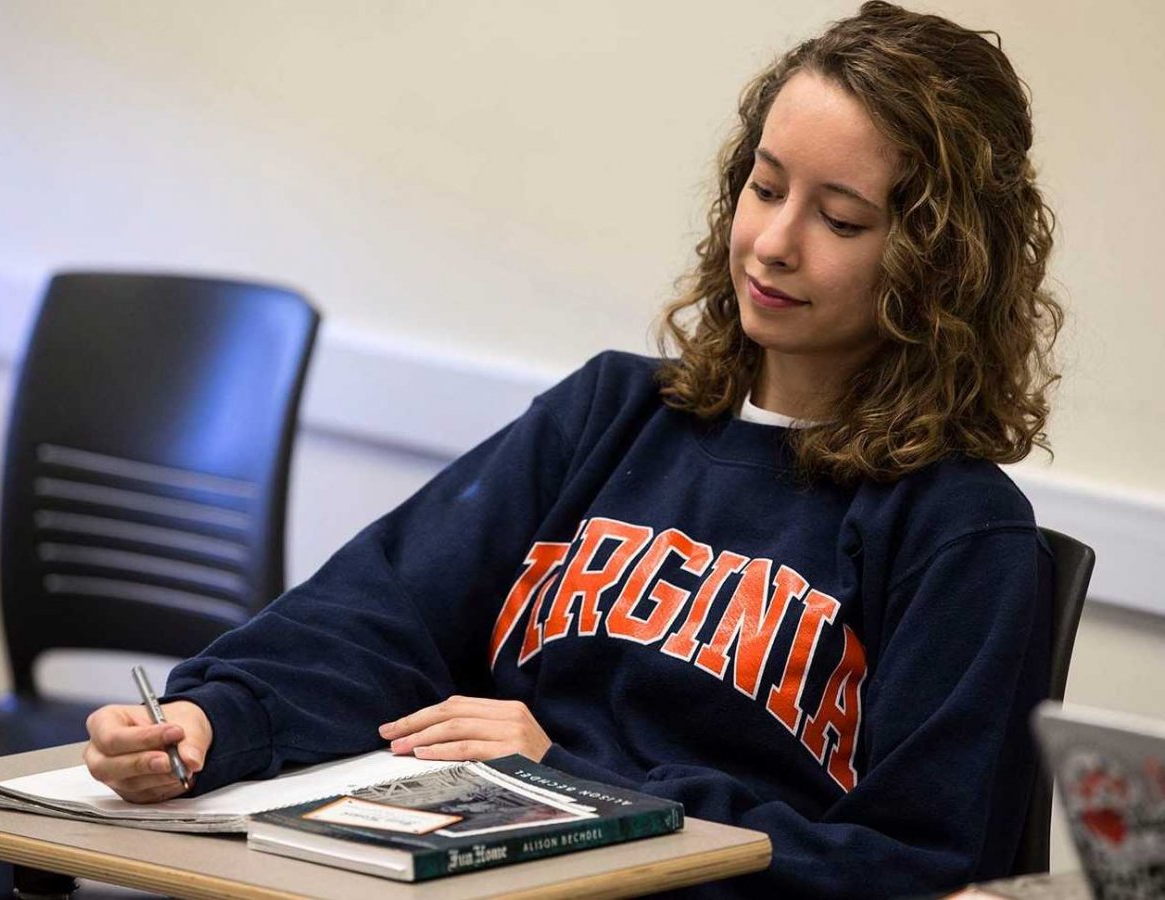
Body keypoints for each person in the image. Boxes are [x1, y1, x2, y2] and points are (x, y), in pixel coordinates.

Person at [82, 3, 1063, 897]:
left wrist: (583, 788)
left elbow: (919, 870)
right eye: (764, 188)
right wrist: (219, 722)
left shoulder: (960, 529)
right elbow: (374, 618)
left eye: (840, 218)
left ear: (937, 265)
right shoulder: (608, 414)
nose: (773, 242)